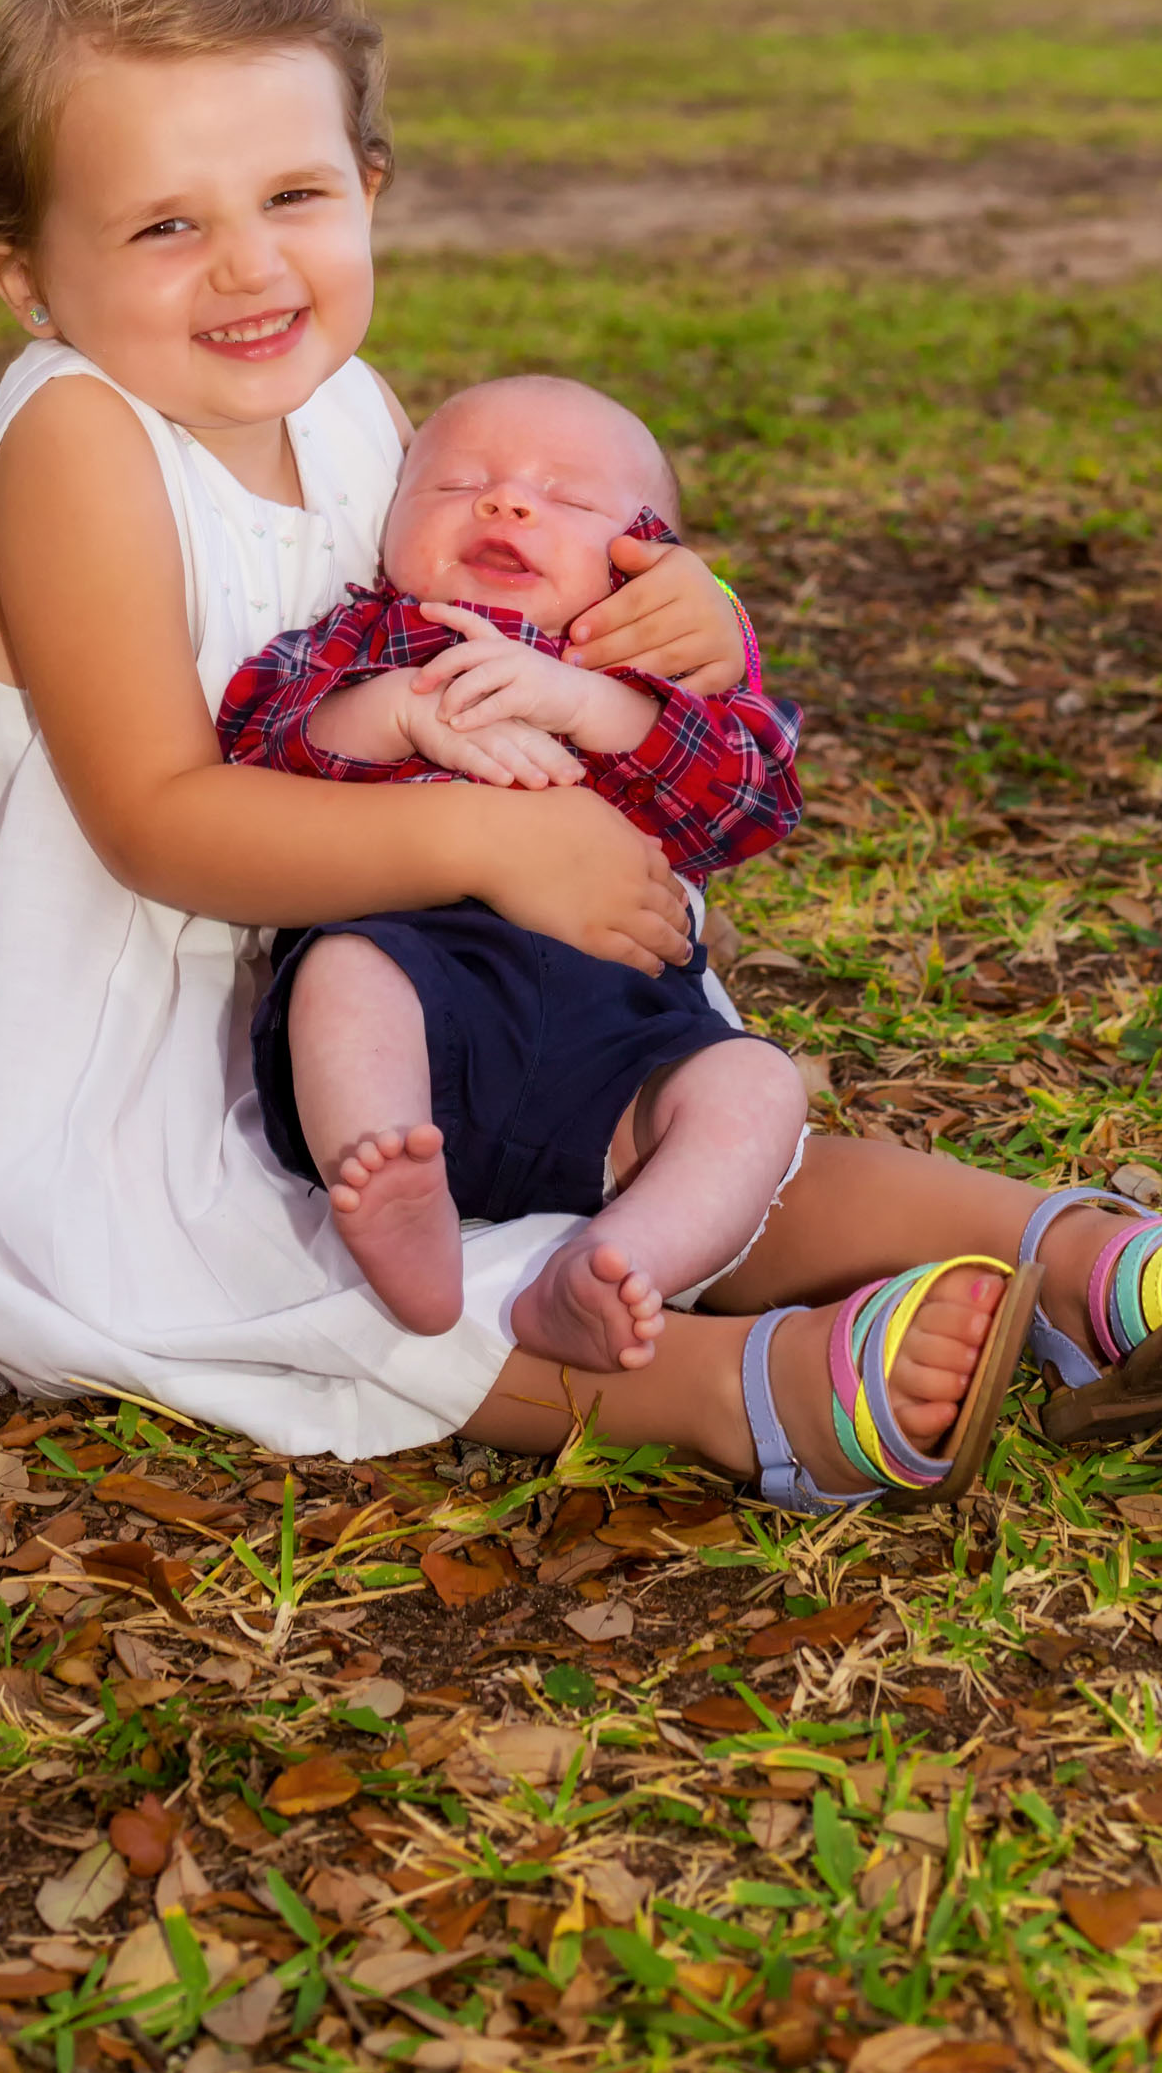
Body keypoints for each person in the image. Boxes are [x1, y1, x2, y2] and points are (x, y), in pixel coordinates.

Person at [0, 0, 1162, 1514]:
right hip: (78, 1027)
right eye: (162, 227)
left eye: (293, 195)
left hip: (393, 965)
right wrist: (490, 831)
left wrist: (688, 619)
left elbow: (487, 609)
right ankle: (728, 1393)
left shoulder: (347, 409)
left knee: (667, 1128)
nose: (251, 267)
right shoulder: (79, 441)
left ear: (371, 188)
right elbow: (154, 822)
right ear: (26, 279)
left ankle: (1075, 1257)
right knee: (263, 1258)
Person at [219, 372, 811, 1375]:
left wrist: (593, 706)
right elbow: (256, 749)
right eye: (455, 487)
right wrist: (393, 709)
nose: (506, 503)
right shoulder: (371, 640)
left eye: (568, 500)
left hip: (623, 1037)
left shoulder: (646, 677)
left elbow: (755, 802)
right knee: (341, 979)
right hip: (415, 977)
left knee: (756, 1087)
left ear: (648, 564)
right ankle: (394, 1187)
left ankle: (614, 1262)